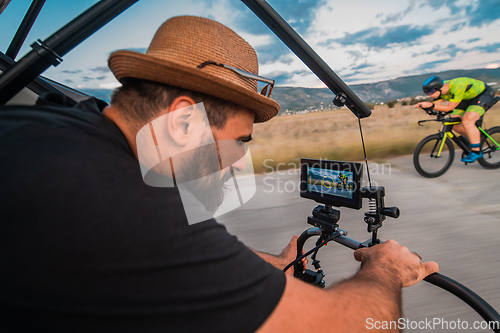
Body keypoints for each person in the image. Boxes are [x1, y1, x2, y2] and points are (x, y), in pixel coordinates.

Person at [0, 15, 438, 332]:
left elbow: (178, 260)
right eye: (238, 142)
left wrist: (274, 266)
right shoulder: (118, 205)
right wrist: (386, 271)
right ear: (183, 122)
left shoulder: (65, 127)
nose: (234, 162)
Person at [416, 76, 496, 163]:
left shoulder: (457, 86)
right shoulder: (438, 92)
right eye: (427, 93)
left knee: (467, 121)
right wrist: (426, 108)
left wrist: (430, 105)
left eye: (431, 92)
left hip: (483, 94)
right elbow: (437, 108)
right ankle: (473, 136)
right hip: (466, 98)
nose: (430, 95)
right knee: (453, 122)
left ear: (439, 88)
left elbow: (449, 108)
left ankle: (476, 152)